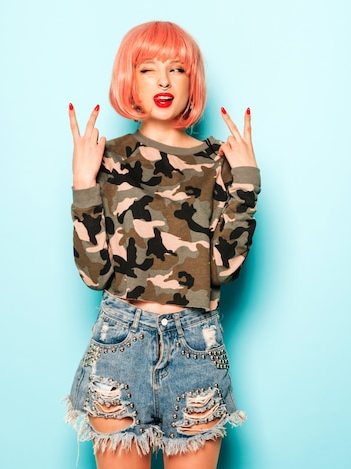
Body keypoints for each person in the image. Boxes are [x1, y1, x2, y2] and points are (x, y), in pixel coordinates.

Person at [64, 21, 260, 469]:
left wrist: (245, 183)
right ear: (129, 80)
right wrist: (82, 183)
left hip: (195, 346)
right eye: (148, 68)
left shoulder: (217, 161)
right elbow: (93, 274)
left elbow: (223, 271)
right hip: (120, 342)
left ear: (193, 80)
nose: (164, 81)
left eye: (177, 68)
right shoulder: (107, 157)